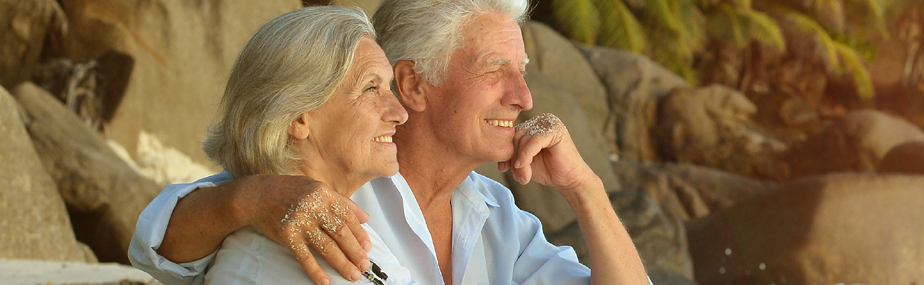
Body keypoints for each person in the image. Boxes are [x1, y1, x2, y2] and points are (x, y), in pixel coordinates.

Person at [128, 0, 651, 284]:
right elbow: (158, 246)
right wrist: (247, 199)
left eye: (522, 71)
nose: (524, 97)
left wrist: (585, 189)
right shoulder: (312, 189)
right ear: (415, 84)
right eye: (496, 70)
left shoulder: (497, 214)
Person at [129, 6, 416, 285]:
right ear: (299, 116)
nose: (400, 113)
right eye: (370, 88)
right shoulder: (277, 260)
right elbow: (157, 238)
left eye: (388, 87)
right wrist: (250, 199)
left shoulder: (313, 212)